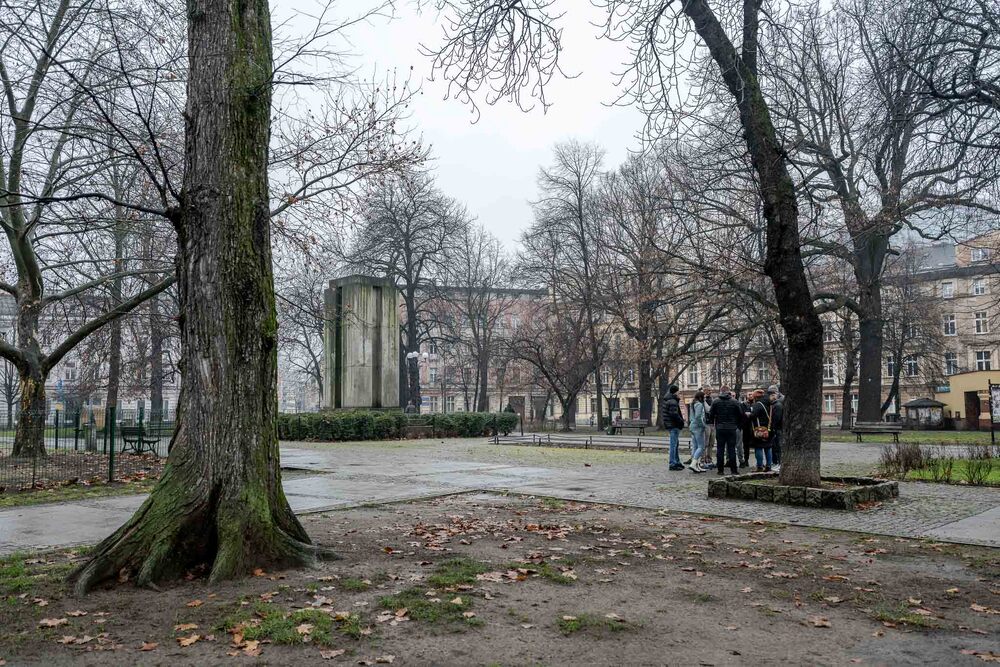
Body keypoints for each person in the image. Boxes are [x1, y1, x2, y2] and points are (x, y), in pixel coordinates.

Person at [708, 386, 741, 475]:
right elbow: (740, 414)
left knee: (720, 449)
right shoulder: (734, 401)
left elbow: (711, 415)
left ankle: (720, 470)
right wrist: (737, 425)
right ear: (729, 391)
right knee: (732, 449)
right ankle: (734, 470)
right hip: (731, 428)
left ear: (721, 391)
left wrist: (714, 424)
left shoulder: (716, 401)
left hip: (720, 428)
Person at [750, 388, 775, 472]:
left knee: (759, 447)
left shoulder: (758, 404)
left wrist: (748, 415)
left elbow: (753, 415)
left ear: (755, 397)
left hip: (760, 430)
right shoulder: (770, 404)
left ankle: (760, 466)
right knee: (768, 447)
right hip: (769, 429)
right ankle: (769, 466)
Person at [662, 385, 685, 470]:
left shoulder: (669, 400)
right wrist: (681, 421)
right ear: (675, 392)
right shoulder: (673, 401)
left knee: (675, 444)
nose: (679, 393)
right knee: (673, 445)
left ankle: (677, 461)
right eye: (678, 392)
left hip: (671, 424)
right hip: (673, 425)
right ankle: (672, 463)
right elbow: (674, 414)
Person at [688, 391, 707, 473]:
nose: (705, 398)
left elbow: (691, 417)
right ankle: (693, 463)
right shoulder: (699, 405)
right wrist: (703, 425)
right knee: (701, 447)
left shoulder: (693, 404)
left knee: (695, 447)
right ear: (700, 397)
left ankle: (697, 465)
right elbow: (698, 416)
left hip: (692, 426)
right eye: (704, 397)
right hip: (698, 427)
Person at [767, 385, 784, 472]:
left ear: (774, 394)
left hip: (778, 429)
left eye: (770, 395)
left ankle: (780, 464)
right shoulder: (780, 402)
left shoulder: (778, 404)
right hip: (780, 428)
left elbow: (776, 418)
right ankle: (778, 463)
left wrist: (772, 427)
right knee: (777, 446)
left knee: (779, 446)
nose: (769, 398)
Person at [739, 392, 754, 468]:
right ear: (746, 396)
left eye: (752, 394)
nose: (750, 396)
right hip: (746, 427)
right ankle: (746, 460)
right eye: (749, 394)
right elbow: (741, 414)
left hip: (754, 426)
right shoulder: (742, 404)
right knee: (746, 444)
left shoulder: (756, 404)